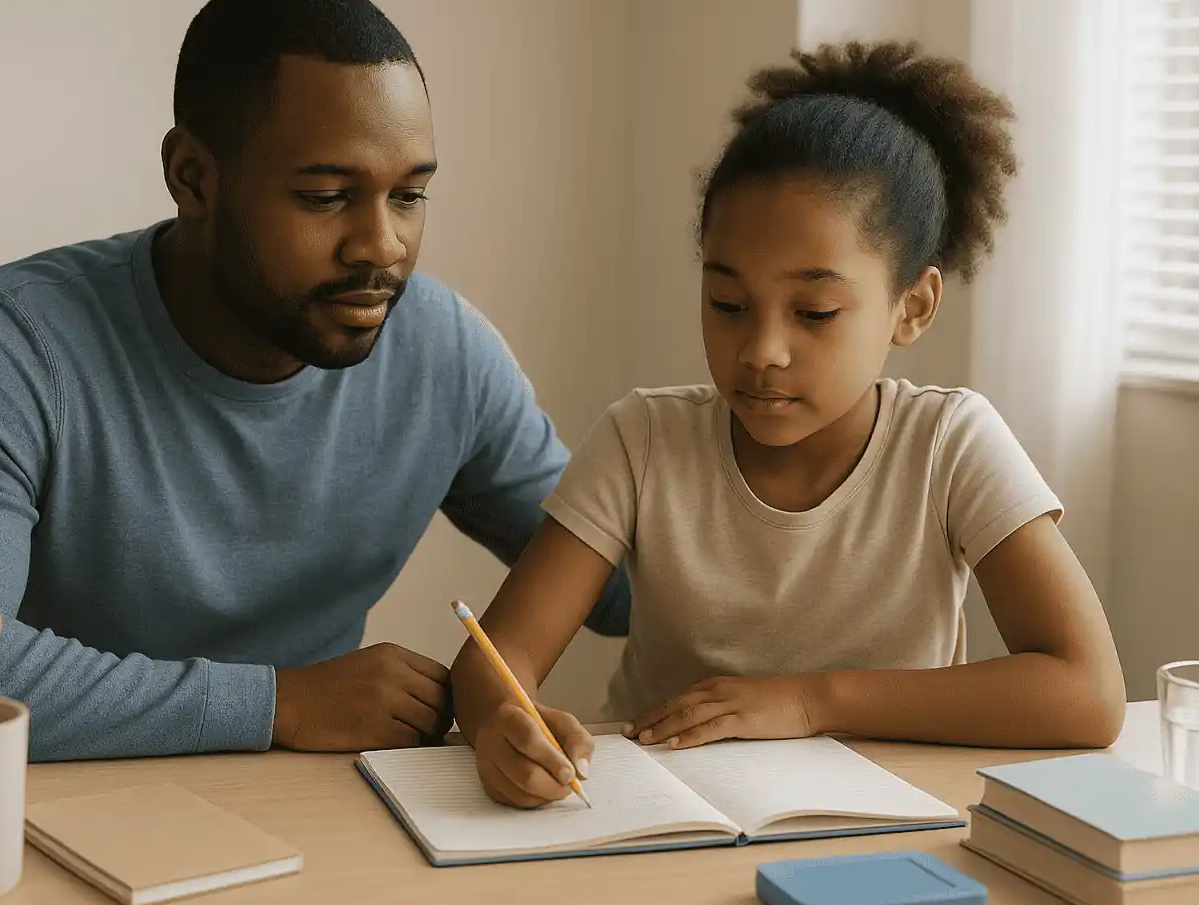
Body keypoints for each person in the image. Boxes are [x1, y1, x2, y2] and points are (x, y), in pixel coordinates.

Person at [0, 0, 626, 762]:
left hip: (315, 818)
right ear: (193, 177)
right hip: (58, 820)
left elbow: (622, 584)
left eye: (408, 196)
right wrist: (277, 702)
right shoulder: (8, 345)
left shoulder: (447, 355)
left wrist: (738, 450)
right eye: (326, 196)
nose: (383, 246)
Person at [451, 40, 1128, 809]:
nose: (761, 352)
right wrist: (505, 721)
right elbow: (492, 659)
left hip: (882, 824)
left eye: (814, 313)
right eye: (728, 305)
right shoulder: (643, 440)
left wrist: (813, 701)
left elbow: (1089, 692)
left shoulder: (951, 446)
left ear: (913, 307)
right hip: (666, 823)